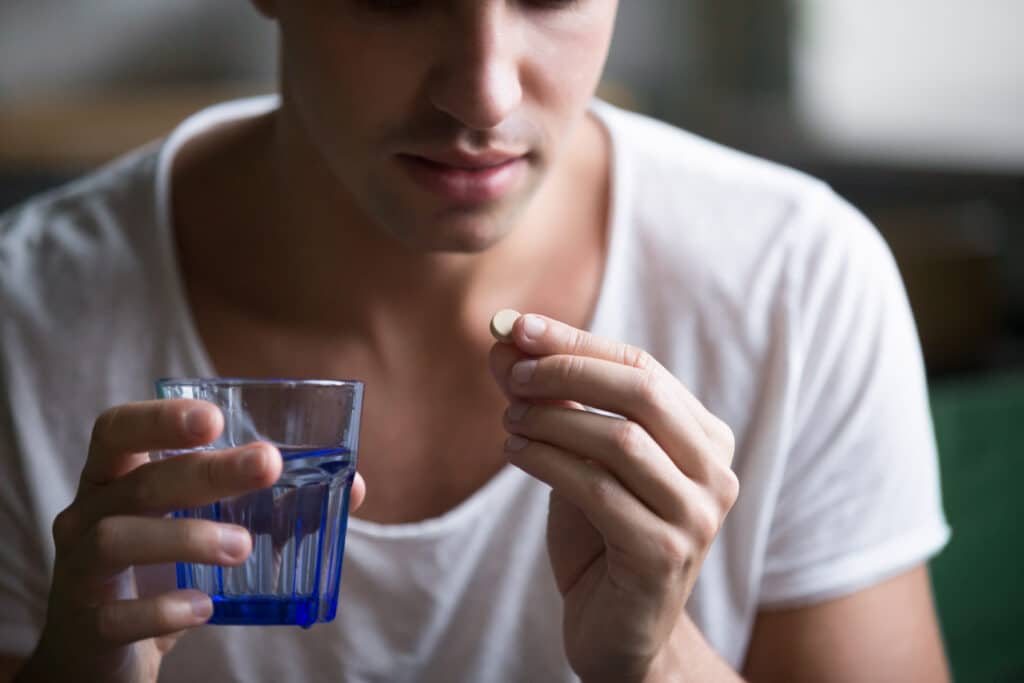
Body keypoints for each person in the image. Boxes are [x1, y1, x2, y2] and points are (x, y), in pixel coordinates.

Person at [0, 2, 952, 681]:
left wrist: (659, 658)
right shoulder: (26, 315)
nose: (484, 96)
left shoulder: (797, 279)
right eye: (401, 0)